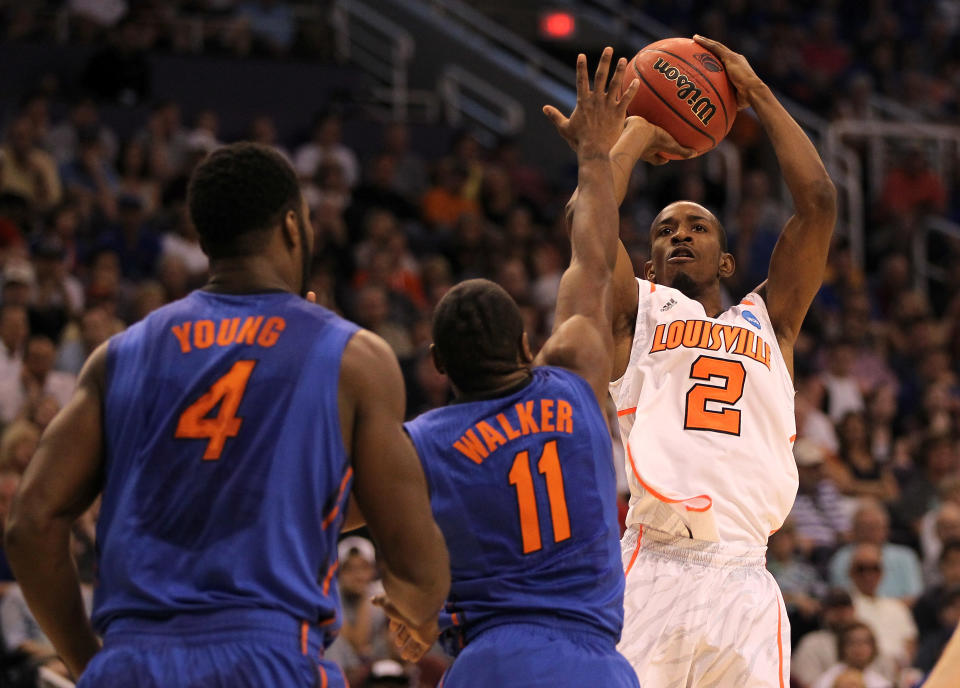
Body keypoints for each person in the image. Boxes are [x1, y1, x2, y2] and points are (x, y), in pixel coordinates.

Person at [4, 142, 450, 686]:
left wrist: (86, 660)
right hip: (265, 657)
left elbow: (30, 525)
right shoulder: (351, 356)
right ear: (292, 227)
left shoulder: (118, 356)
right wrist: (416, 606)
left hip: (132, 659)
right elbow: (418, 562)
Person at [382, 49, 662, 687]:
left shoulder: (420, 445)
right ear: (527, 344)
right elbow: (590, 259)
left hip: (492, 661)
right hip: (596, 665)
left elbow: (323, 506)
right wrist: (595, 154)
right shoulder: (575, 373)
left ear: (438, 366)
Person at [571, 35, 837, 686]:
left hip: (747, 575)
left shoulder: (769, 321)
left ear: (725, 260)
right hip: (654, 559)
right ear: (651, 261)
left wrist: (758, 96)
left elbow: (820, 206)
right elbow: (590, 230)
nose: (679, 234)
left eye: (696, 226)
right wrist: (636, 129)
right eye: (664, 230)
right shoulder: (637, 313)